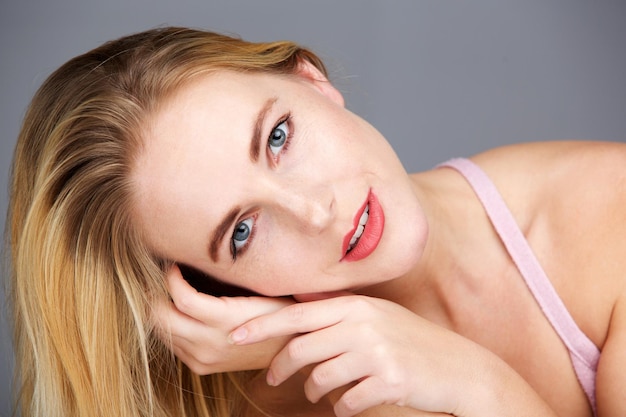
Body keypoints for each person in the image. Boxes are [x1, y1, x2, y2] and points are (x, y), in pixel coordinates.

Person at [6, 26, 624, 417]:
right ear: (205, 289)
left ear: (312, 80)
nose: (314, 211)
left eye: (278, 137)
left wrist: (474, 383)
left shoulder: (607, 213)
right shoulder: (275, 400)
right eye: (241, 232)